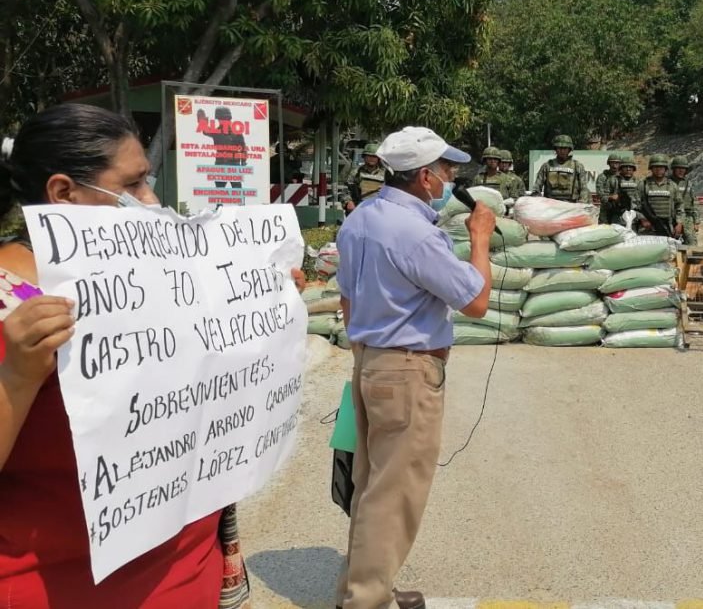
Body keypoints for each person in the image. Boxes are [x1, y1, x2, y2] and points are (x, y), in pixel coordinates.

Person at [0, 102, 295, 608]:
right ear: (63, 192)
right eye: (133, 184)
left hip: (186, 577)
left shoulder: (162, 275)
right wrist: (19, 374)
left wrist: (265, 301)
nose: (151, 199)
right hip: (64, 588)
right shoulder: (13, 300)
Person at [334, 126, 495, 609]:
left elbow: (345, 298)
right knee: (395, 492)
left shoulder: (361, 219)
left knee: (371, 483)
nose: (450, 178)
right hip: (406, 371)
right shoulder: (418, 235)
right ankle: (366, 601)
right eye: (446, 170)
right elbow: (477, 300)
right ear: (424, 177)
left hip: (370, 361)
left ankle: (362, 587)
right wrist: (480, 239)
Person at [637, 155, 684, 238]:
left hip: (668, 226)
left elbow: (679, 206)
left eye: (661, 167)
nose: (658, 170)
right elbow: (635, 204)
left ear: (665, 169)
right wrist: (643, 219)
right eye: (655, 167)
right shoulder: (643, 184)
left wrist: (679, 223)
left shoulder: (672, 185)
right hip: (648, 226)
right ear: (651, 168)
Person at [533, 135, 589, 203]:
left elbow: (584, 188)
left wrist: (581, 203)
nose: (562, 151)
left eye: (565, 148)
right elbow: (537, 187)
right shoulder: (547, 166)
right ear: (555, 149)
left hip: (571, 205)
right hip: (550, 205)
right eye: (559, 148)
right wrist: (537, 200)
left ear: (569, 149)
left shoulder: (577, 166)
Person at [341, 141, 387, 214]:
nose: (371, 158)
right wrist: (348, 202)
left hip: (378, 209)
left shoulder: (385, 174)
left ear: (379, 158)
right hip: (359, 208)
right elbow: (346, 189)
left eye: (374, 156)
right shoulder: (356, 172)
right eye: (369, 156)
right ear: (364, 157)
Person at [669, 155, 698, 246]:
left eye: (683, 168)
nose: (681, 170)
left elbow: (694, 202)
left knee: (691, 243)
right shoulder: (667, 182)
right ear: (673, 169)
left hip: (687, 217)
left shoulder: (688, 183)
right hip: (671, 217)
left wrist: (696, 221)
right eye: (678, 168)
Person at [604, 153, 638, 227]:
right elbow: (603, 196)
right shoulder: (613, 180)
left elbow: (643, 201)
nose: (628, 169)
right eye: (625, 167)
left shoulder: (639, 182)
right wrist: (611, 197)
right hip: (617, 216)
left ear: (634, 169)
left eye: (630, 167)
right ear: (621, 169)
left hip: (633, 217)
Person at [595, 152, 621, 224]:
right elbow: (600, 193)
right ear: (609, 163)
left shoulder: (623, 177)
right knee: (604, 229)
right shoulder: (602, 177)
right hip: (606, 208)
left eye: (617, 163)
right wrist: (610, 197)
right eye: (612, 163)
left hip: (619, 209)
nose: (615, 165)